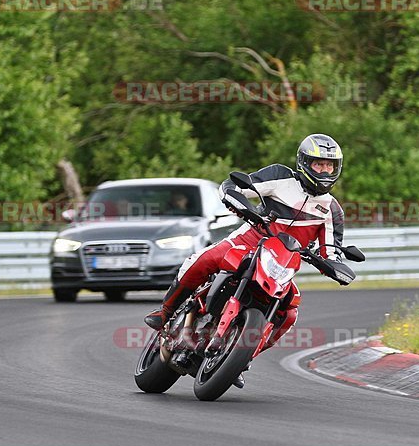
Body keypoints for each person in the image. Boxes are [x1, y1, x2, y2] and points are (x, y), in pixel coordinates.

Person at [144, 134, 346, 383]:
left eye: (329, 166)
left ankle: (241, 359)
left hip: (284, 263)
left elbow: (331, 249)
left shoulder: (332, 210)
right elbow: (235, 186)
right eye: (319, 164)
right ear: (304, 163)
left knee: (290, 314)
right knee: (203, 260)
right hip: (250, 240)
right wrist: (238, 202)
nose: (324, 171)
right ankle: (165, 312)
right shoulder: (280, 176)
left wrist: (336, 266)